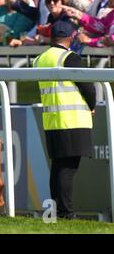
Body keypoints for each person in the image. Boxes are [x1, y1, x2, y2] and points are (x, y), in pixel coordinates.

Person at [33, 17, 96, 219]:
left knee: (58, 168)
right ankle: (66, 213)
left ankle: (55, 211)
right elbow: (88, 87)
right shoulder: (70, 58)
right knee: (68, 169)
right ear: (71, 37)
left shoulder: (39, 59)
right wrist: (92, 105)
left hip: (52, 122)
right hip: (73, 120)